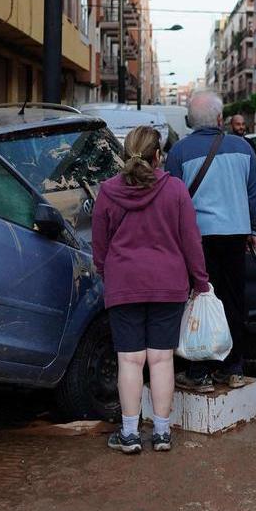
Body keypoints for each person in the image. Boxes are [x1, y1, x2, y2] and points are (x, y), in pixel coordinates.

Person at [92, 126, 211, 454]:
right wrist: (200, 282)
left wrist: (107, 271)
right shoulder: (175, 190)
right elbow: (191, 241)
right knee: (161, 360)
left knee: (129, 360)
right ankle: (161, 433)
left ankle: (129, 435)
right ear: (158, 156)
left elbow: (99, 245)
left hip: (124, 283)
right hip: (167, 284)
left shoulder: (107, 192)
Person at [165, 91, 256, 392]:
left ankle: (200, 372)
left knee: (200, 300)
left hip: (197, 239)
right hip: (236, 235)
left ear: (189, 122)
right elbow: (255, 193)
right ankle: (233, 368)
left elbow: (171, 199)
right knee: (234, 301)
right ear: (221, 119)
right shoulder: (242, 148)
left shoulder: (180, 152)